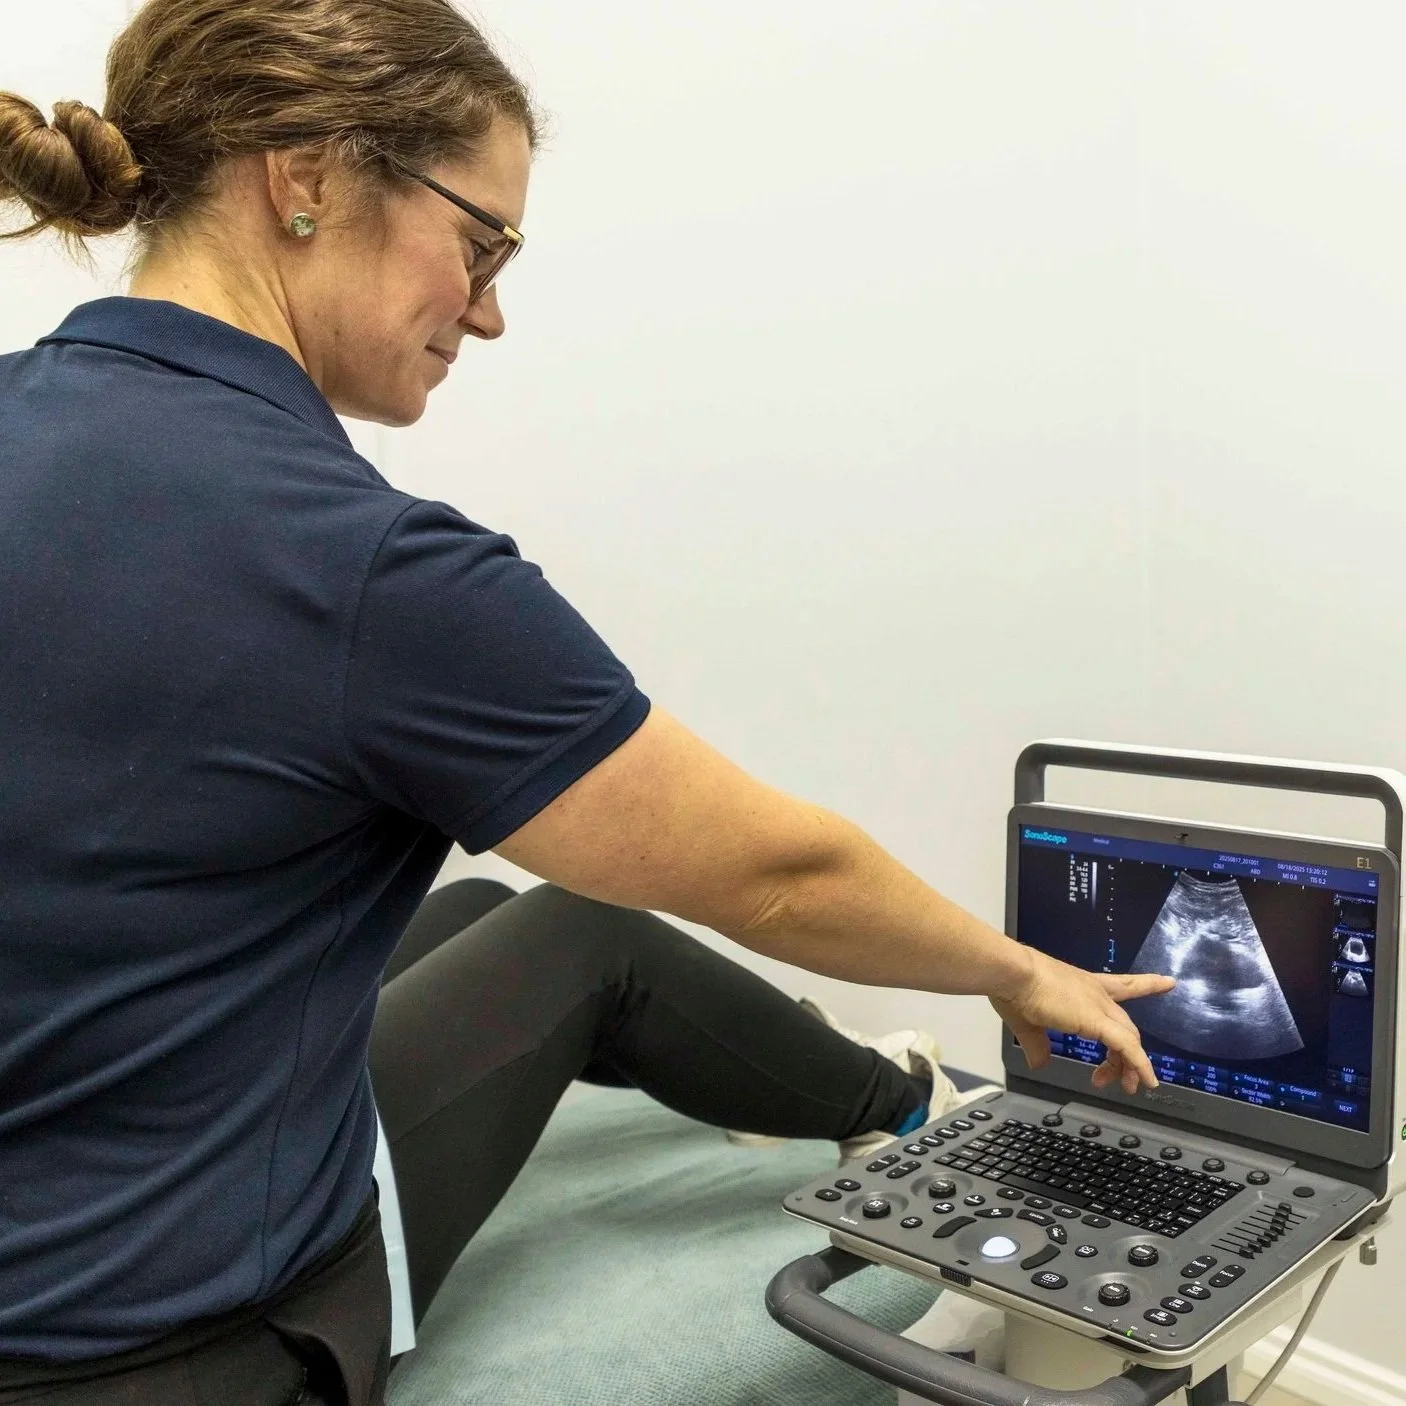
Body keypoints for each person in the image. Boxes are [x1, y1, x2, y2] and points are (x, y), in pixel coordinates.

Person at [0, 2, 1174, 1402]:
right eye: (480, 243)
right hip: (162, 1350)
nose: (489, 311)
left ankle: (885, 1090)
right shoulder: (357, 563)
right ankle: (919, 1106)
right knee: (584, 925)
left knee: (484, 909)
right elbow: (774, 871)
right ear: (304, 175)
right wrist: (1016, 968)